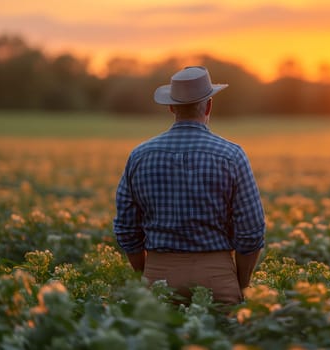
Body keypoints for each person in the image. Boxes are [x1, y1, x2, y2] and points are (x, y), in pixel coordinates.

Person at [113, 66, 265, 305]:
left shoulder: (140, 155)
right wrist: (241, 283)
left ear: (171, 107)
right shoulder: (232, 154)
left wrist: (147, 274)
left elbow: (126, 229)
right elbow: (252, 232)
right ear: (209, 105)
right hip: (217, 277)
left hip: (157, 277)